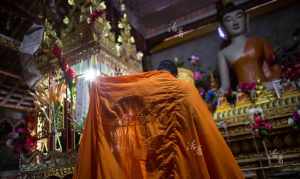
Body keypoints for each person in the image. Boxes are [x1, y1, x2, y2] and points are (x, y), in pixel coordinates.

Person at [73, 60, 244, 179]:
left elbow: (117, 101)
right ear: (175, 74)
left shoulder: (144, 87)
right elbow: (203, 126)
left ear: (157, 71)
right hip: (186, 153)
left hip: (154, 156)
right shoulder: (184, 88)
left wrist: (99, 87)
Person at [217, 1, 281, 95]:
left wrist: (273, 82)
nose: (235, 22)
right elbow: (225, 85)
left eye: (239, 16)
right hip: (245, 94)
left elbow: (274, 66)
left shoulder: (259, 42)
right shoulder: (223, 53)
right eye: (228, 20)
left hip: (266, 88)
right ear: (223, 27)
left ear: (246, 19)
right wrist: (220, 92)